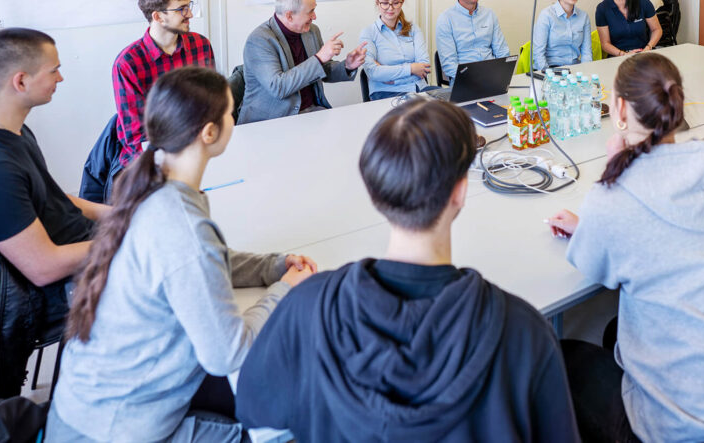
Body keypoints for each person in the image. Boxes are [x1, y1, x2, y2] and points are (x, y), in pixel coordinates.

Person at [235, 98, 579, 442]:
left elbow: (257, 410)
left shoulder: (307, 307)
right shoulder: (524, 331)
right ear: (460, 192)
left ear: (374, 192)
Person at [47, 66, 316, 442]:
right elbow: (230, 353)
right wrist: (285, 289)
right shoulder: (180, 222)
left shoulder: (151, 184)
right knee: (291, 424)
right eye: (230, 112)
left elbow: (200, 262)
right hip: (117, 430)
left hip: (91, 410)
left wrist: (271, 267)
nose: (234, 118)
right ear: (210, 133)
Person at [547, 53, 704, 442]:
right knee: (615, 333)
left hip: (685, 426)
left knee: (560, 358)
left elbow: (591, 266)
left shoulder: (615, 194)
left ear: (620, 110)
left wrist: (608, 186)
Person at [0, 28, 109, 399]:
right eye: (53, 70)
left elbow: (59, 199)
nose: (62, 77)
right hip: (52, 290)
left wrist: (123, 212)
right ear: (21, 81)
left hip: (79, 255)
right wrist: (123, 237)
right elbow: (43, 267)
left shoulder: (18, 132)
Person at [112, 0, 215, 167]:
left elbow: (211, 105)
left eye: (189, 6)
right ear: (158, 16)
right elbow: (137, 137)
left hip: (198, 148)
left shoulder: (200, 45)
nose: (190, 14)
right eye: (181, 9)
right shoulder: (128, 63)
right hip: (151, 160)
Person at [238, 0, 366, 123]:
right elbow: (278, 88)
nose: (315, 16)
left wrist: (347, 66)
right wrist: (319, 57)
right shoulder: (259, 40)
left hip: (311, 112)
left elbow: (321, 70)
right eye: (310, 11)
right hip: (273, 121)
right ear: (289, 16)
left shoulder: (311, 31)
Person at [358, 0, 432, 100]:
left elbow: (424, 67)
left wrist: (389, 76)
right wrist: (412, 69)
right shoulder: (368, 33)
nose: (390, 8)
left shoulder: (414, 29)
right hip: (386, 92)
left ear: (402, 3)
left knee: (452, 104)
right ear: (378, 3)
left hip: (420, 89)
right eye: (385, 3)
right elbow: (373, 72)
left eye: (395, 3)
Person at [435, 0, 510, 81]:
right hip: (464, 81)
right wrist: (476, 78)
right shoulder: (446, 20)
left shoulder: (489, 15)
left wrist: (500, 74)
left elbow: (502, 53)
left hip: (493, 78)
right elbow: (449, 66)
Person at [595, 0, 662, 57]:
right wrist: (623, 54)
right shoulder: (602, 9)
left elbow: (656, 30)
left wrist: (648, 48)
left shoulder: (643, 2)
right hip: (617, 56)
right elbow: (605, 44)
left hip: (643, 53)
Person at [531, 0, 593, 70]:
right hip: (550, 69)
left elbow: (587, 53)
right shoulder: (546, 16)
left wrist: (586, 70)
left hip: (574, 69)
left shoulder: (583, 17)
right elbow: (538, 54)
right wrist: (548, 75)